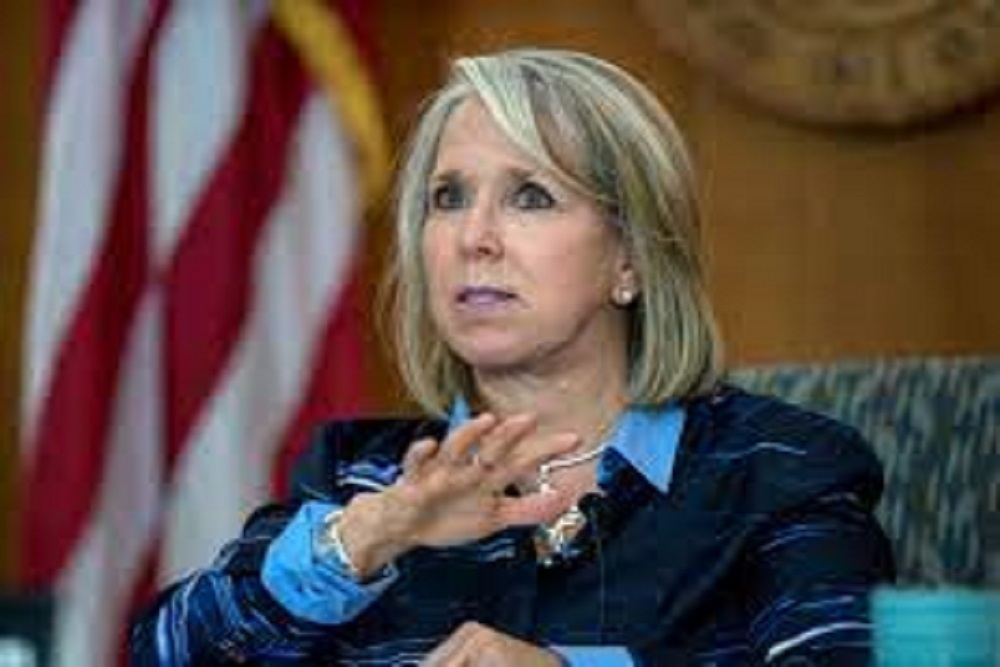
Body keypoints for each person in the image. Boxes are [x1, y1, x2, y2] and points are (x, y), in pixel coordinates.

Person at [131, 48, 894, 665]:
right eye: (448, 197)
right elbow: (167, 651)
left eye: (531, 196)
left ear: (631, 258)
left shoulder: (779, 469)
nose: (474, 238)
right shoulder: (357, 475)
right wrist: (367, 535)